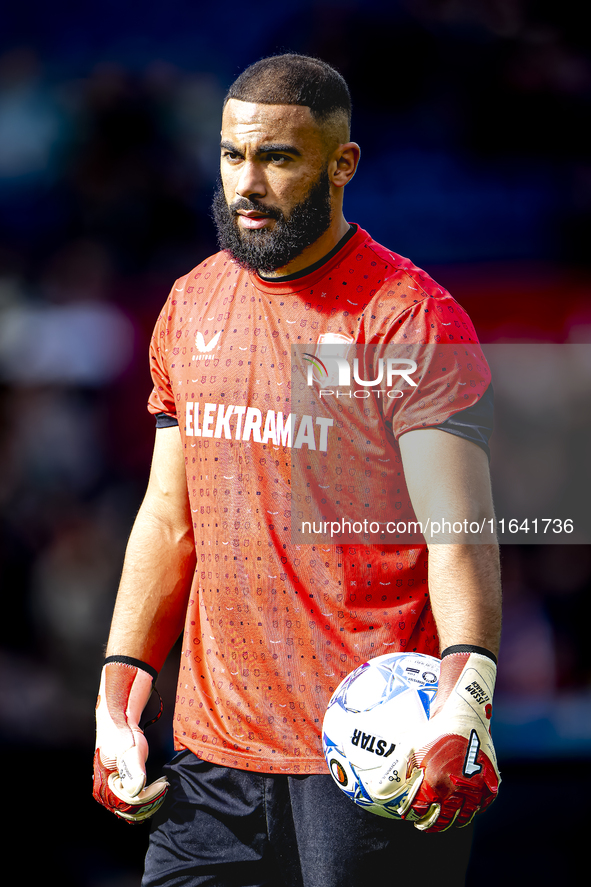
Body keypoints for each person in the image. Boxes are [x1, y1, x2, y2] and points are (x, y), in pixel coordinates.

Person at [93, 54, 502, 887]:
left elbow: (456, 533)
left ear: (340, 164)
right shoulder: (191, 303)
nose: (247, 182)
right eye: (232, 155)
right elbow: (169, 517)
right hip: (211, 761)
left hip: (374, 759)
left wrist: (468, 691)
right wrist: (119, 684)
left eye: (278, 158)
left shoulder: (409, 317)